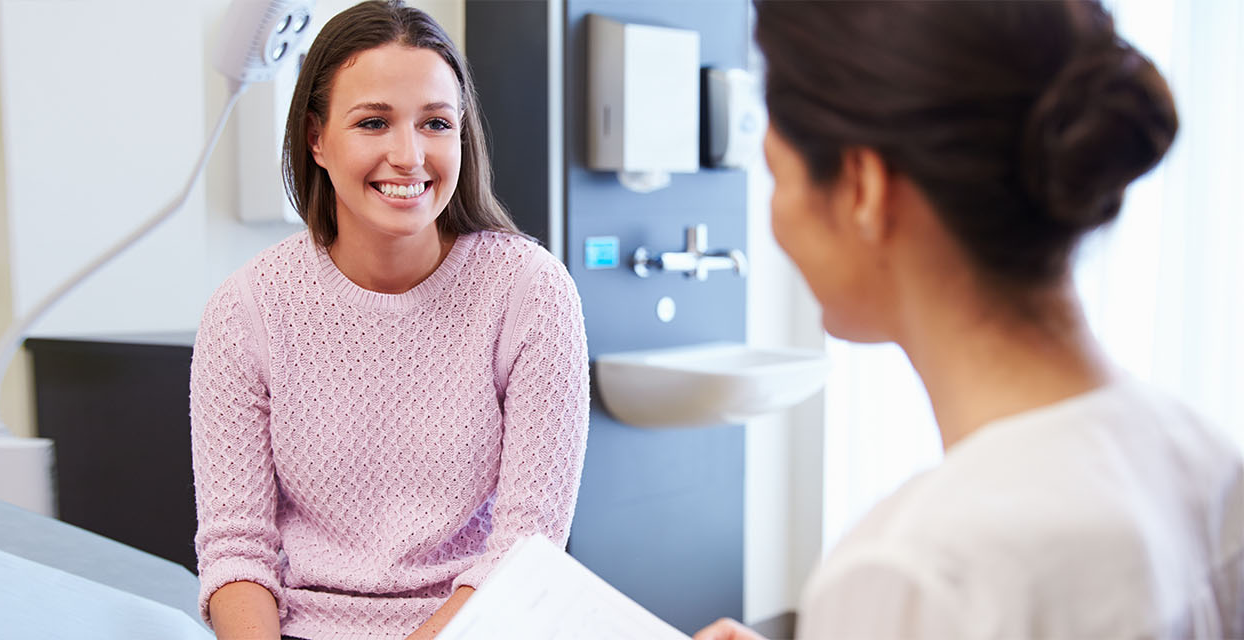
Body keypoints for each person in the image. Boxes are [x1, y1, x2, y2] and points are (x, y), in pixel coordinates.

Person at [695, 1, 1243, 638]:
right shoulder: (1203, 459)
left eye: (777, 177)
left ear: (864, 188)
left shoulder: (916, 571)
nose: (776, 222)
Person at [189, 2, 591, 639]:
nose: (409, 155)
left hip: (478, 627)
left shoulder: (530, 292)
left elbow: (525, 551)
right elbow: (236, 551)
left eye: (435, 123)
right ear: (316, 138)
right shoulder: (245, 311)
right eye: (374, 122)